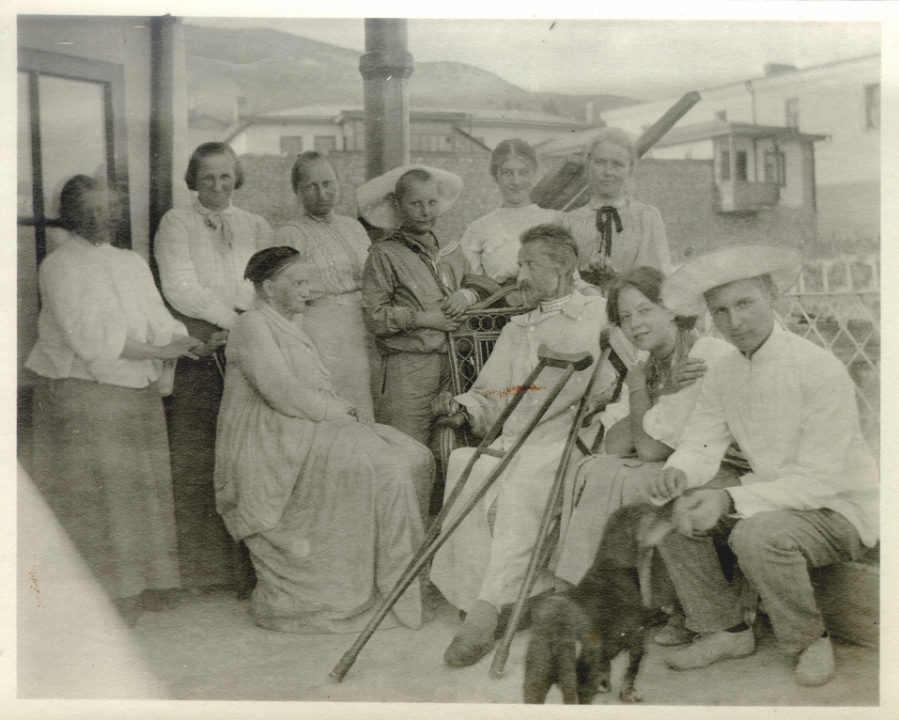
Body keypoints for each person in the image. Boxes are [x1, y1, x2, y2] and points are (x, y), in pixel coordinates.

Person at [649, 244, 879, 687]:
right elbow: (702, 441)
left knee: (755, 534)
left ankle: (809, 639)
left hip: (838, 508)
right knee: (675, 513)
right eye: (720, 311)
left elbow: (817, 482)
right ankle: (725, 630)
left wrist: (726, 498)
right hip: (771, 497)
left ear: (772, 295)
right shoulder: (725, 369)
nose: (735, 321)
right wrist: (680, 471)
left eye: (745, 303)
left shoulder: (817, 368)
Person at [214, 246, 433, 633]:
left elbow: (309, 389)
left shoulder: (289, 324)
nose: (308, 291)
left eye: (308, 282)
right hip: (267, 437)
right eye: (298, 283)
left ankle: (392, 583)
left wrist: (342, 410)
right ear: (269, 287)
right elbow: (281, 392)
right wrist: (339, 412)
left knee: (413, 455)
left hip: (301, 424)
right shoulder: (251, 324)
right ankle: (359, 590)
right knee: (383, 467)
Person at [429, 224, 616, 668]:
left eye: (530, 264)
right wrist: (465, 408)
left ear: (564, 267)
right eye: (520, 264)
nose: (521, 274)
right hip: (517, 434)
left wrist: (588, 403)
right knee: (465, 462)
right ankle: (481, 594)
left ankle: (489, 606)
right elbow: (492, 390)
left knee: (523, 478)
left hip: (567, 436)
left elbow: (599, 385)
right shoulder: (519, 326)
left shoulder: (594, 314)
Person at [26, 175, 203, 625]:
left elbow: (158, 318)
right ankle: (107, 593)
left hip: (136, 388)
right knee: (101, 493)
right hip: (84, 392)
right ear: (71, 216)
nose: (104, 217)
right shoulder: (59, 266)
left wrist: (182, 341)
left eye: (109, 208)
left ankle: (149, 583)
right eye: (92, 210)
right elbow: (90, 339)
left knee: (141, 487)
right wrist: (158, 351)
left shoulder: (130, 261)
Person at [554, 267, 737, 588]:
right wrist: (655, 391)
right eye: (625, 317)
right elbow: (615, 443)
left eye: (645, 310)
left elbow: (651, 448)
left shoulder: (702, 355)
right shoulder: (648, 366)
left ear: (672, 309)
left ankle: (590, 588)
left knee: (625, 477)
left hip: (724, 471)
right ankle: (582, 586)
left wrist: (640, 390)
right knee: (598, 468)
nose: (635, 324)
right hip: (683, 467)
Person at [155, 142, 272, 592]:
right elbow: (180, 286)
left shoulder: (254, 225)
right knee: (202, 453)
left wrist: (246, 323)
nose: (218, 186)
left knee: (249, 449)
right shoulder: (177, 222)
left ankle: (253, 568)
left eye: (226, 176)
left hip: (244, 337)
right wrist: (230, 322)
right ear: (193, 180)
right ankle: (205, 572)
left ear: (236, 176)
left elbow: (263, 281)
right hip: (202, 344)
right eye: (208, 178)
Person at [360, 166, 500, 457]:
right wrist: (427, 319)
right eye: (416, 204)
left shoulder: (450, 249)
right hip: (408, 369)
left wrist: (466, 294)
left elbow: (484, 284)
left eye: (432, 202)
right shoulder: (384, 254)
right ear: (398, 205)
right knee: (406, 451)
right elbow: (374, 316)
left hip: (453, 366)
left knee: (448, 449)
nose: (425, 212)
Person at [273, 152, 375, 420]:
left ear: (338, 183)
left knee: (369, 403)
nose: (322, 193)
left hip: (364, 326)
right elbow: (284, 299)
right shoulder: (290, 233)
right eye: (311, 186)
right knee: (339, 407)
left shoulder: (353, 227)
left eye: (328, 183)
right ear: (297, 191)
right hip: (324, 332)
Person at [560, 127, 670, 293]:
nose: (607, 172)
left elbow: (656, 277)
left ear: (630, 169)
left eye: (617, 164)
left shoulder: (645, 217)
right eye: (600, 162)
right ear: (588, 164)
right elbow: (560, 278)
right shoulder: (568, 222)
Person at [460, 139, 561, 292]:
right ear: (496, 176)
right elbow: (472, 286)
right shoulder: (478, 228)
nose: (516, 181)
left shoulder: (555, 221)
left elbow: (572, 277)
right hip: (500, 305)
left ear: (534, 174)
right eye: (507, 173)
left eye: (523, 172)